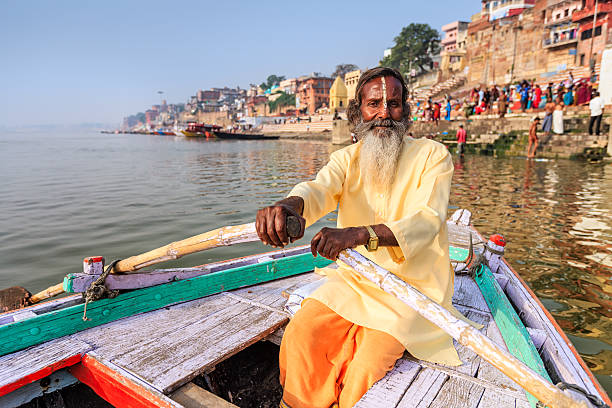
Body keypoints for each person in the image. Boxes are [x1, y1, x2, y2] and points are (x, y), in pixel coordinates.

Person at [256, 67, 471, 408]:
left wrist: (356, 235)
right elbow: (316, 191)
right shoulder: (346, 159)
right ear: (358, 113)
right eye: (375, 104)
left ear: (406, 111)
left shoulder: (433, 156)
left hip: (410, 289)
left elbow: (427, 220)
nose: (385, 113)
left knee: (363, 373)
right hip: (355, 282)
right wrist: (286, 208)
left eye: (394, 104)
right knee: (300, 336)